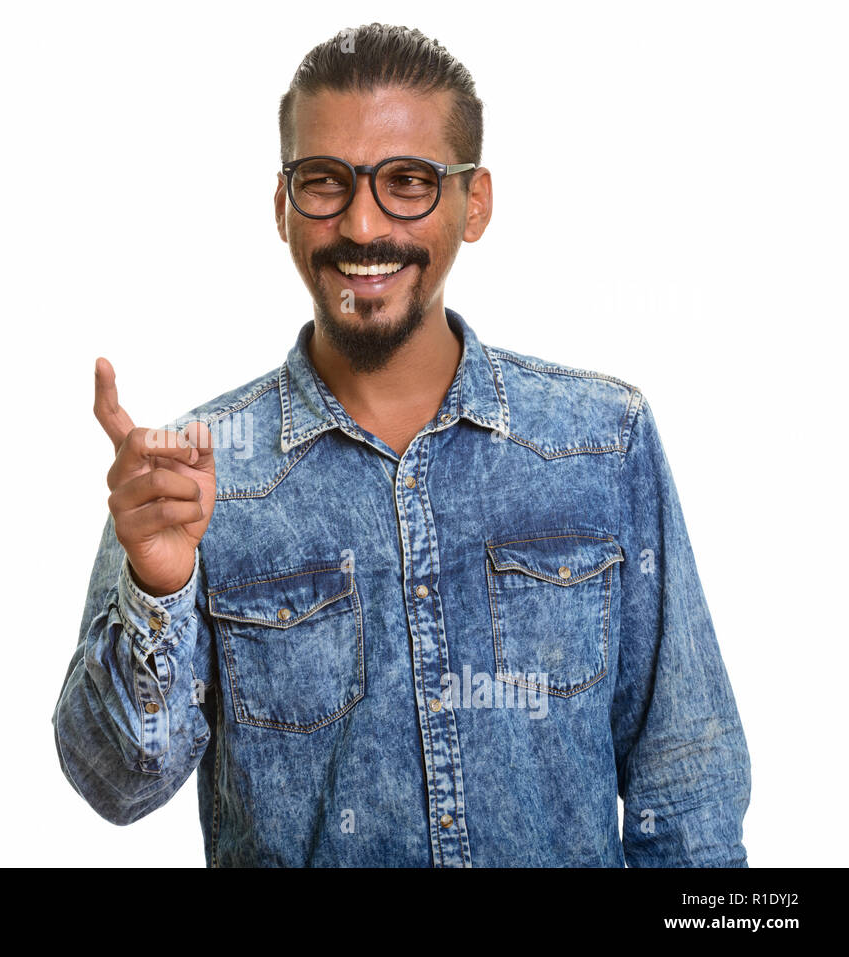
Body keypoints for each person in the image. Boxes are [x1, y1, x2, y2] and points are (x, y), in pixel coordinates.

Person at [52, 22, 750, 867]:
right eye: (324, 182)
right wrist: (157, 585)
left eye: (408, 182)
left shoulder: (602, 441)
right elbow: (116, 784)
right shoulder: (197, 478)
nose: (362, 222)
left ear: (475, 201)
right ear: (282, 206)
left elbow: (687, 784)